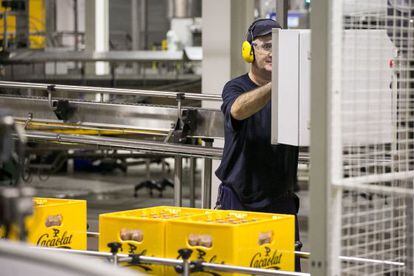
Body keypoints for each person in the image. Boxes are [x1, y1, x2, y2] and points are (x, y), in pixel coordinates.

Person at [215, 18, 301, 271]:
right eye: (266, 46)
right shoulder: (236, 87)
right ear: (249, 51)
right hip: (240, 196)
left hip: (280, 196)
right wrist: (278, 85)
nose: (273, 53)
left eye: (279, 47)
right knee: (238, 267)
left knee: (284, 267)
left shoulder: (295, 88)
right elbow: (238, 110)